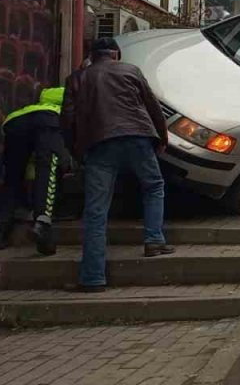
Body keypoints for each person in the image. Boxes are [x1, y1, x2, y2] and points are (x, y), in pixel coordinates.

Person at [62, 37, 174, 293]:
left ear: (91, 56)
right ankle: (154, 239)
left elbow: (67, 118)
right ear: (116, 54)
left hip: (99, 142)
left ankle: (92, 278)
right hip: (137, 136)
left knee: (96, 211)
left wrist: (76, 151)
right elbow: (153, 107)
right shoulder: (131, 71)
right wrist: (161, 138)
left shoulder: (77, 78)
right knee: (153, 186)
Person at [0, 86, 71, 256]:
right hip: (48, 122)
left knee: (12, 175)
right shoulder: (70, 101)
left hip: (14, 122)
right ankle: (42, 223)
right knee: (47, 168)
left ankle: (0, 230)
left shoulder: (38, 103)